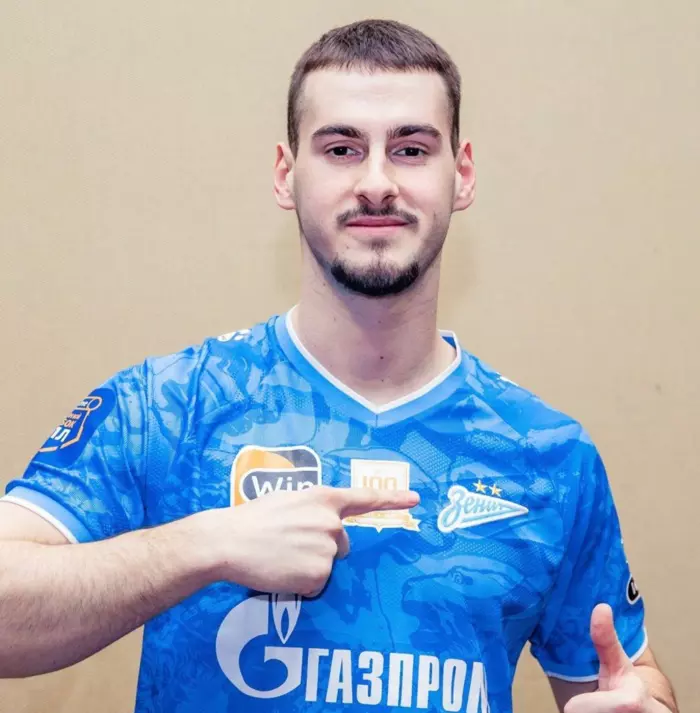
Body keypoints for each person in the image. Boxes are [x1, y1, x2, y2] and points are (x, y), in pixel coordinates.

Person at [0, 18, 678, 713]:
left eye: (411, 149)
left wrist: (645, 704)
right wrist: (206, 543)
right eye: (341, 149)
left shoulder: (547, 454)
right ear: (286, 174)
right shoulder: (170, 407)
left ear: (462, 173)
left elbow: (630, 676)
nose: (377, 182)